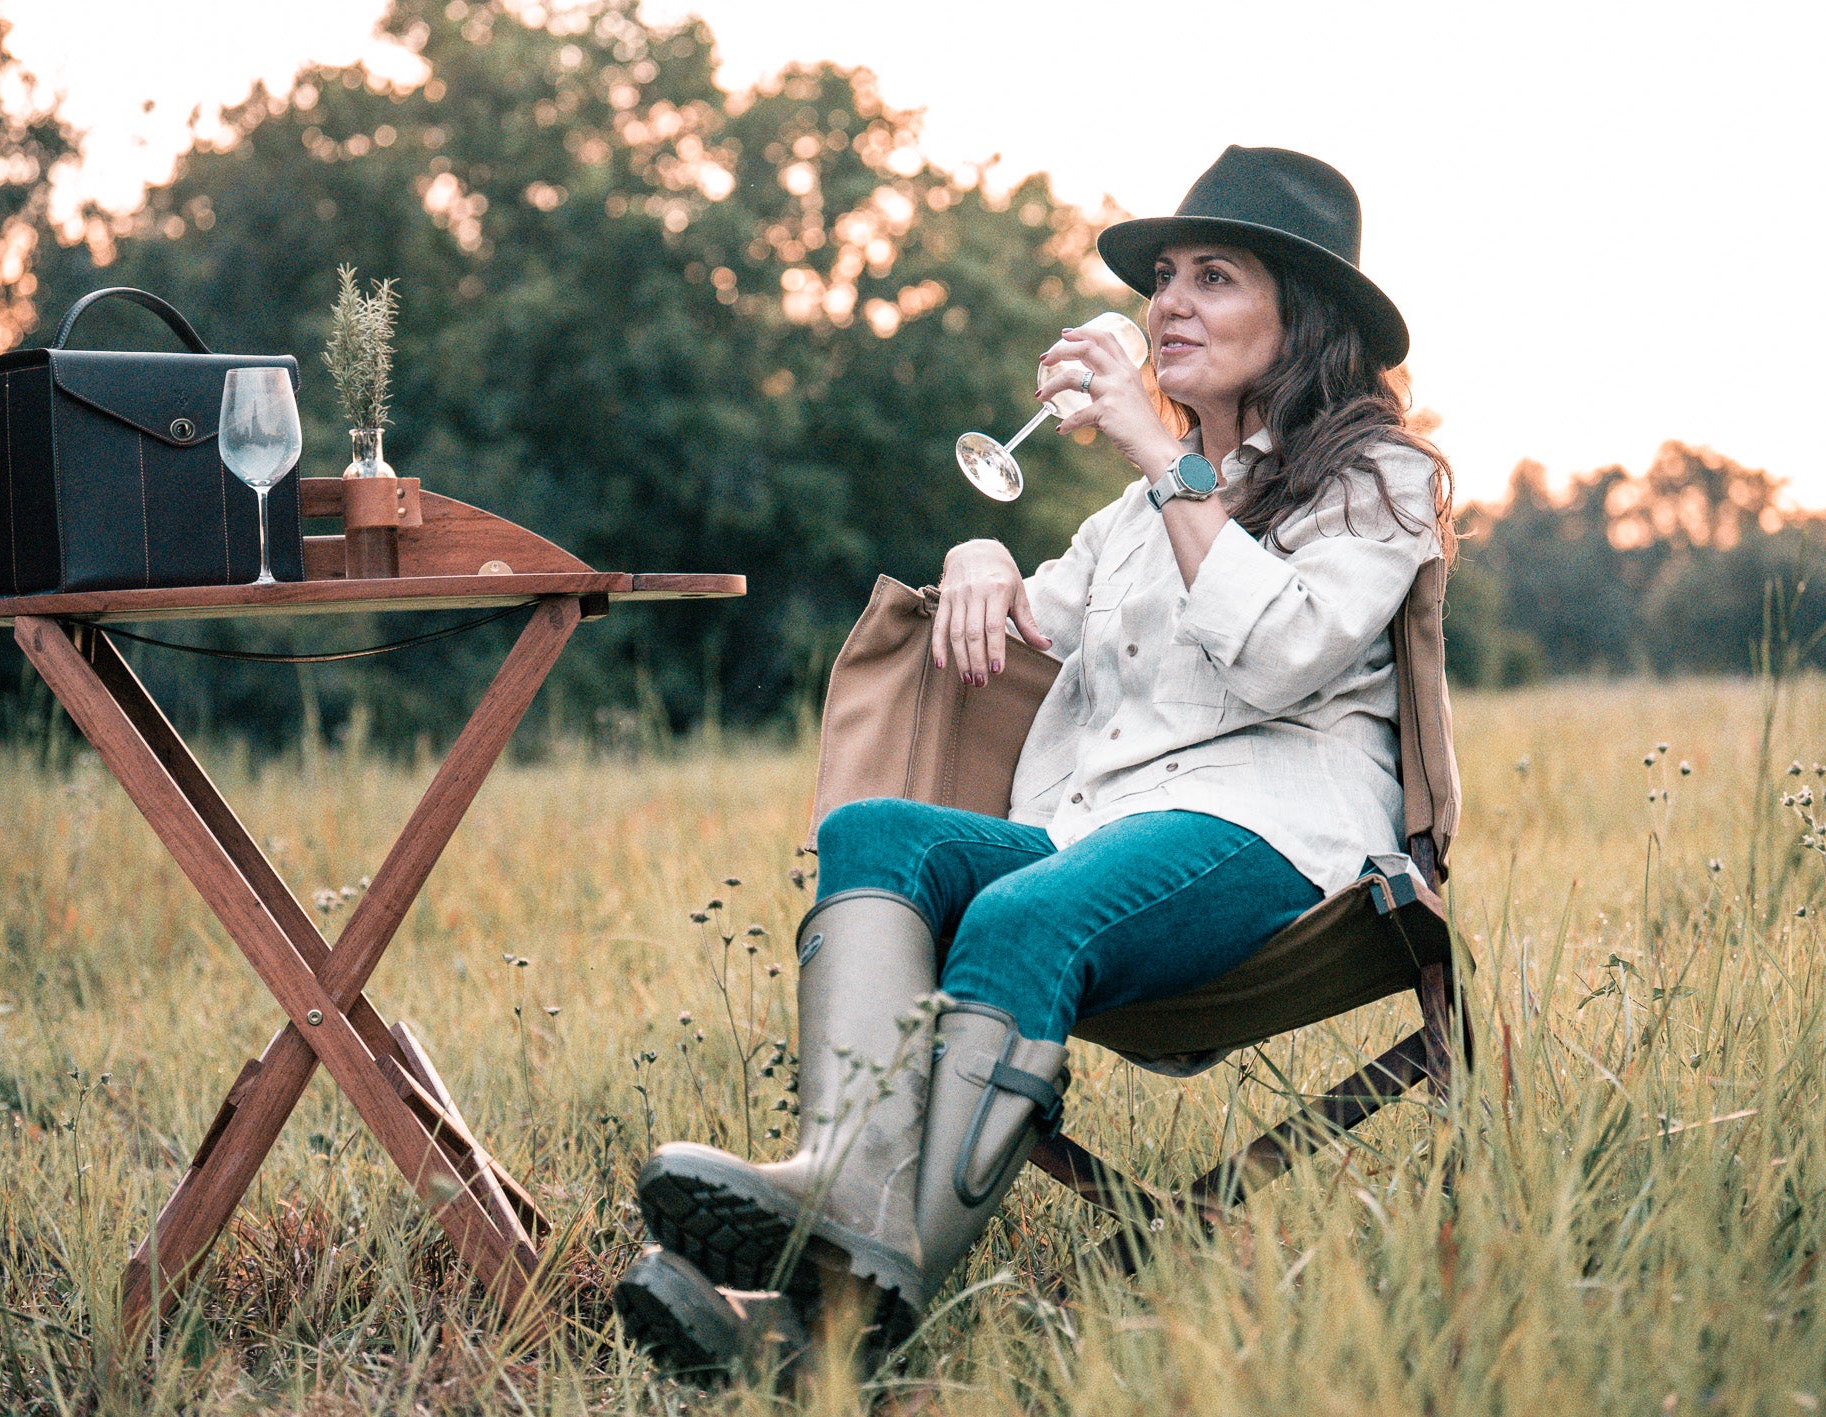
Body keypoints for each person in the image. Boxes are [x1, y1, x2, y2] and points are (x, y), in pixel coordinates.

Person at [613, 145, 1456, 1383]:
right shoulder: (1125, 521)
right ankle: (843, 1183)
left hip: (1283, 843)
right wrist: (977, 556)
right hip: (1102, 839)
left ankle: (837, 1333)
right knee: (873, 834)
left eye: (1212, 277)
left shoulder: (1377, 479)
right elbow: (1026, 625)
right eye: (1162, 278)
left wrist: (1156, 454)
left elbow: (1280, 657)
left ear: (1304, 317)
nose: (1167, 305)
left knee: (1023, 912)